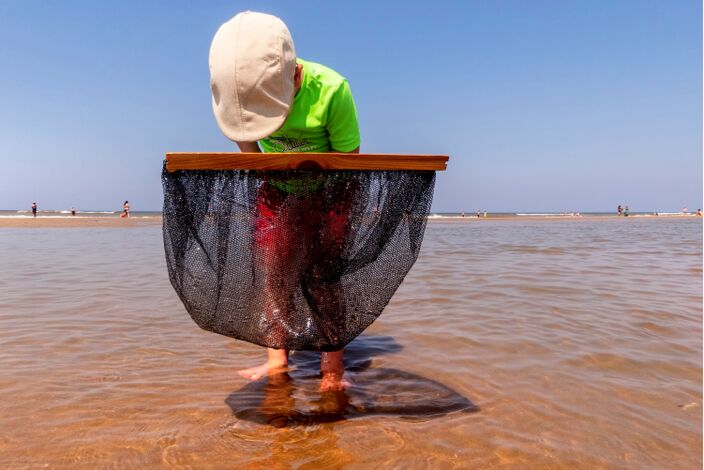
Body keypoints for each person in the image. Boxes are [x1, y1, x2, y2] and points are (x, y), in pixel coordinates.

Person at [209, 11, 360, 391]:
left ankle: (333, 368)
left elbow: (349, 162)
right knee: (274, 274)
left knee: (325, 276)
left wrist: (320, 212)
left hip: (332, 192)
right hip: (277, 191)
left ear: (294, 76)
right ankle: (277, 360)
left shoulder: (331, 89)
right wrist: (283, 199)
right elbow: (248, 146)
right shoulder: (240, 94)